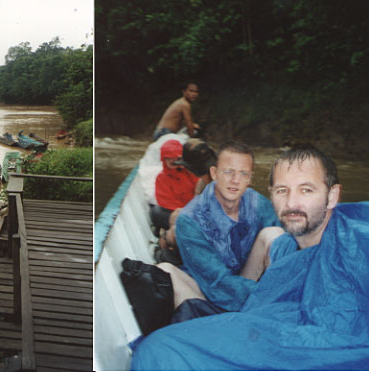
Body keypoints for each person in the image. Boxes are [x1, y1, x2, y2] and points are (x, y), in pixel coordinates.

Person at [132, 144, 369, 370]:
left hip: (279, 324)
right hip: (238, 299)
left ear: (332, 196)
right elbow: (220, 286)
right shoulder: (191, 221)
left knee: (158, 350)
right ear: (213, 174)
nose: (292, 203)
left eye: (306, 190)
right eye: (282, 190)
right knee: (159, 342)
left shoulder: (355, 241)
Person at [156, 141, 279, 319]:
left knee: (275, 235)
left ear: (249, 179)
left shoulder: (258, 203)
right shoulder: (189, 220)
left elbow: (287, 249)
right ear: (214, 173)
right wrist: (271, 295)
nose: (235, 180)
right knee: (165, 271)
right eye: (228, 172)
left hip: (246, 283)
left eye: (243, 173)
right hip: (210, 290)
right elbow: (217, 283)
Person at [150, 139, 200, 230]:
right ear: (163, 159)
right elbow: (166, 202)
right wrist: (184, 211)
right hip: (176, 213)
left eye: (176, 158)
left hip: (194, 211)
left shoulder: (190, 172)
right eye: (168, 158)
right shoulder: (161, 178)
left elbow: (201, 190)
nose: (172, 161)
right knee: (156, 212)